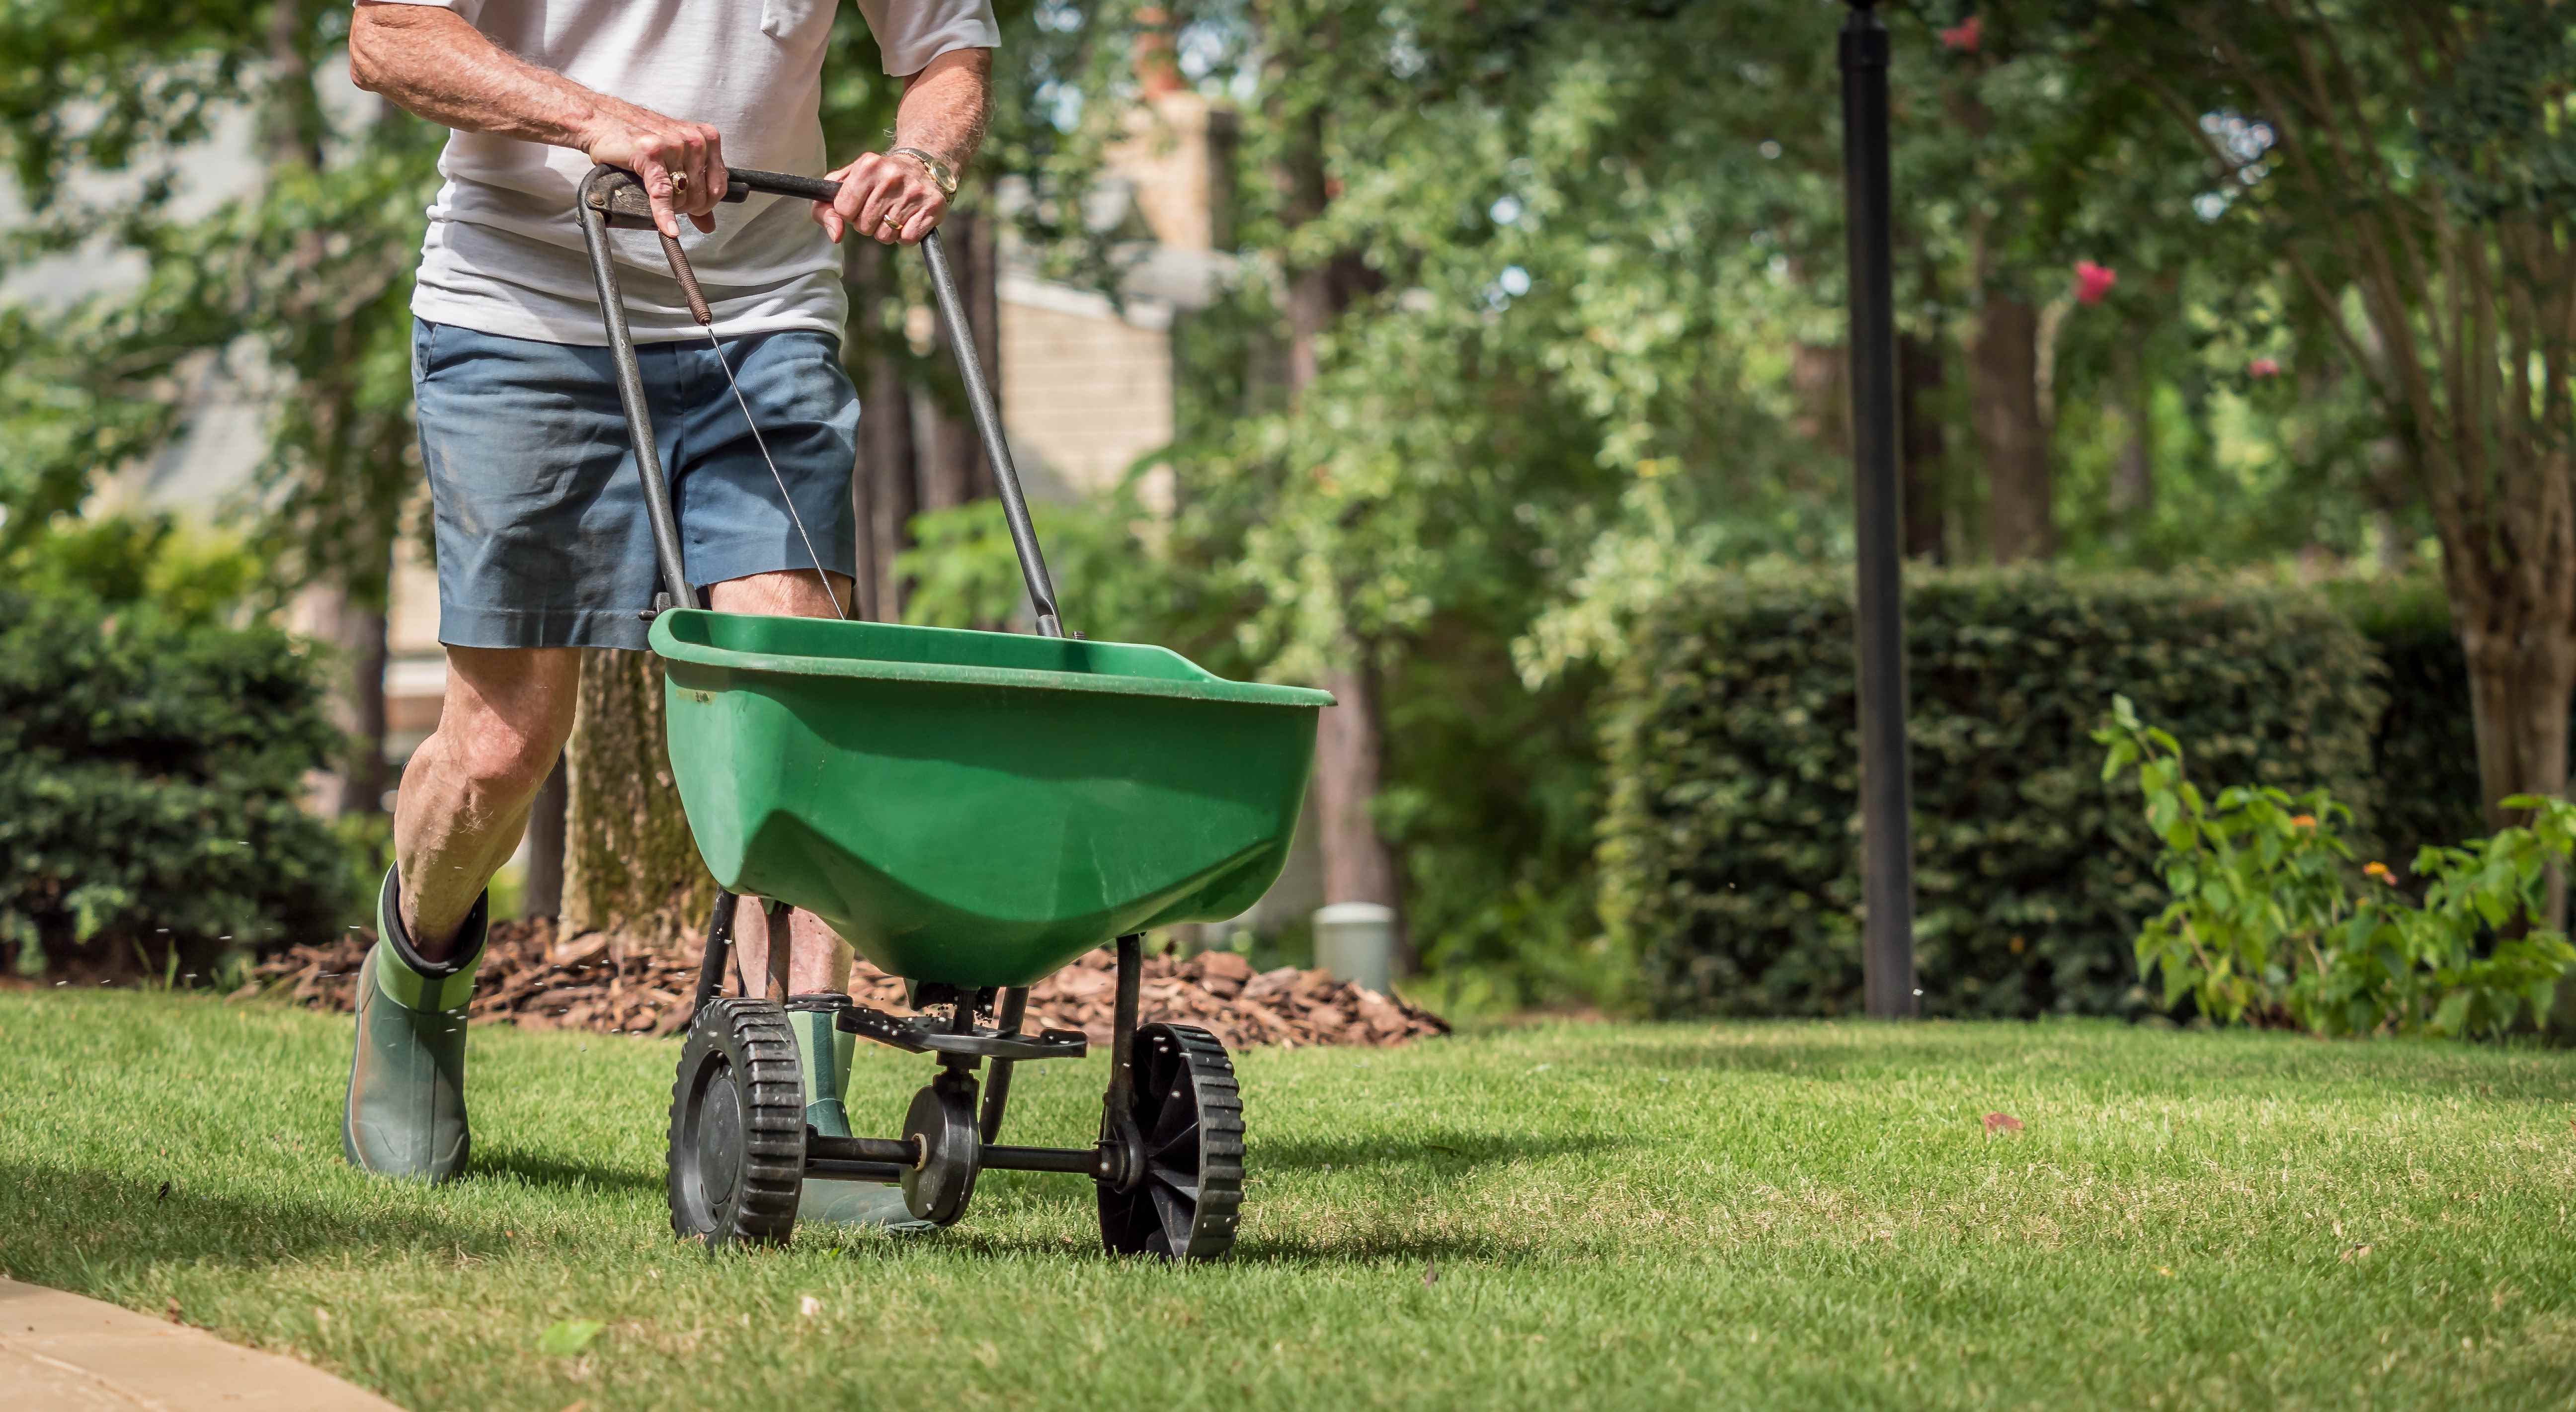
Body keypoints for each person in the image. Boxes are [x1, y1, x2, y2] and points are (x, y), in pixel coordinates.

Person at [340, 0, 994, 1225]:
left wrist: (922, 155)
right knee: (501, 747)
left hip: (762, 320)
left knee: (788, 719)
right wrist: (599, 118)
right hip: (520, 312)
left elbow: (948, 50)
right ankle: (416, 980)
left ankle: (799, 1102)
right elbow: (390, 38)